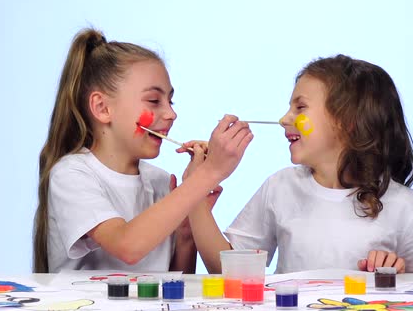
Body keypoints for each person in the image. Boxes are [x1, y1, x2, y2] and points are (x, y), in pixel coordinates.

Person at [187, 54, 413, 274]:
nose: (284, 119)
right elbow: (227, 270)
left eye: (300, 107)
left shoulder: (404, 206)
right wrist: (194, 191)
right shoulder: (281, 186)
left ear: (347, 121)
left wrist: (397, 273)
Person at [32, 28, 253, 273]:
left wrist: (185, 234)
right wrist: (208, 174)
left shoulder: (159, 182)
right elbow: (127, 246)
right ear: (102, 107)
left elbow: (174, 287)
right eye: (154, 101)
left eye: (171, 101)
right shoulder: (72, 174)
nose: (171, 114)